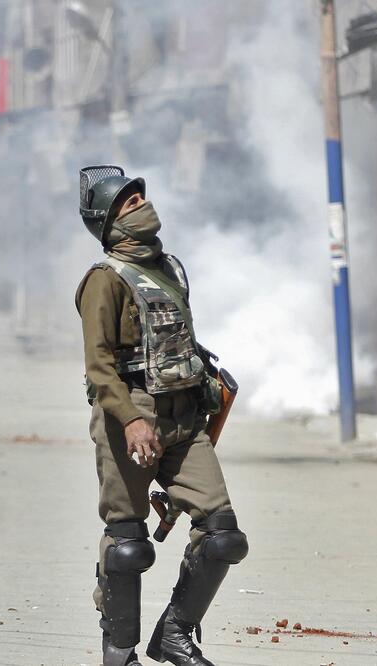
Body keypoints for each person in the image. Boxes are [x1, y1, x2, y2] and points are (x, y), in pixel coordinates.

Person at [75, 165, 247, 666]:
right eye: (127, 202)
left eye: (140, 196)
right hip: (132, 416)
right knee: (128, 544)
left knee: (223, 535)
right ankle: (119, 651)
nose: (140, 204)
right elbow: (99, 366)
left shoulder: (169, 268)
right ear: (109, 223)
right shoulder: (103, 281)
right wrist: (130, 419)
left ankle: (173, 632)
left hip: (184, 418)